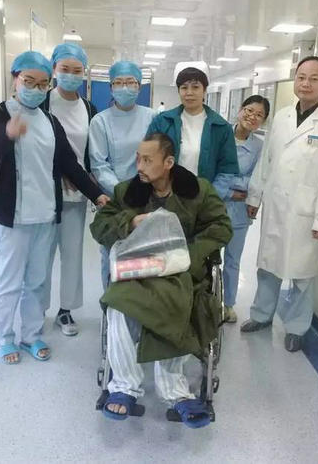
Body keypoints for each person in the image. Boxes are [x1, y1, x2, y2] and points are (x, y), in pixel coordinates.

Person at [90, 133, 232, 428]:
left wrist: (187, 255)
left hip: (181, 273)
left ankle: (175, 392)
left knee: (175, 304)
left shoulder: (198, 191)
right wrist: (129, 222)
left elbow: (221, 227)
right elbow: (100, 225)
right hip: (139, 270)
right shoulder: (128, 192)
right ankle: (124, 386)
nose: (139, 166)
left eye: (147, 160)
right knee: (117, 305)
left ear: (168, 162)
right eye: (137, 159)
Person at [0, 51, 108, 364]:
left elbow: (70, 164)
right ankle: (4, 338)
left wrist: (98, 195)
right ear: (15, 79)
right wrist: (8, 133)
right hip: (12, 216)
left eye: (42, 84)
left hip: (46, 213)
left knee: (37, 281)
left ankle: (31, 334)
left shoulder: (51, 121)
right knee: (10, 282)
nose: (36, 89)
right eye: (29, 81)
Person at [241, 56, 318, 352]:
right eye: (301, 77)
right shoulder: (281, 117)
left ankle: (296, 327)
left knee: (302, 273)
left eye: (314, 78)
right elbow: (267, 161)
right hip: (275, 206)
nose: (306, 83)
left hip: (307, 212)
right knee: (267, 266)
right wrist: (255, 196)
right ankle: (261, 315)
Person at [42, 43, 97, 337]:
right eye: (65, 69)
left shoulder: (88, 108)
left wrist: (87, 181)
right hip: (45, 191)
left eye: (77, 71)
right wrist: (60, 172)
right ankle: (36, 309)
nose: (71, 75)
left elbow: (90, 151)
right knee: (41, 255)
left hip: (77, 194)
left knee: (72, 254)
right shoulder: (42, 103)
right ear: (54, 69)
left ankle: (66, 310)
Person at [88, 60, 155, 288]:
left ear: (139, 86)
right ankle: (110, 303)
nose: (124, 87)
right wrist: (122, 191)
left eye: (130, 82)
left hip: (147, 196)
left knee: (143, 255)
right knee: (111, 253)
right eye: (119, 82)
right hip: (114, 198)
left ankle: (138, 303)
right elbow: (99, 164)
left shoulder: (152, 117)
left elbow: (156, 155)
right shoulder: (100, 121)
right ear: (110, 87)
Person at [147, 62, 239, 201]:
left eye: (195, 87)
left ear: (204, 90)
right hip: (166, 195)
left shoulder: (221, 127)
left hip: (203, 198)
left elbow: (227, 169)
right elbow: (149, 157)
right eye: (184, 87)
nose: (189, 93)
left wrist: (209, 197)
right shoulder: (162, 122)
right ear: (178, 91)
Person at [222, 95, 270, 324]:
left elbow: (256, 179)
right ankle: (202, 301)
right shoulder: (221, 136)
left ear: (263, 121)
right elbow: (211, 172)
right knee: (205, 258)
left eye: (259, 115)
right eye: (249, 110)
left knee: (233, 260)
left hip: (239, 213)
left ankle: (228, 304)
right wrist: (231, 189)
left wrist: (231, 183)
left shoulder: (260, 147)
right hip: (213, 206)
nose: (252, 117)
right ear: (240, 110)